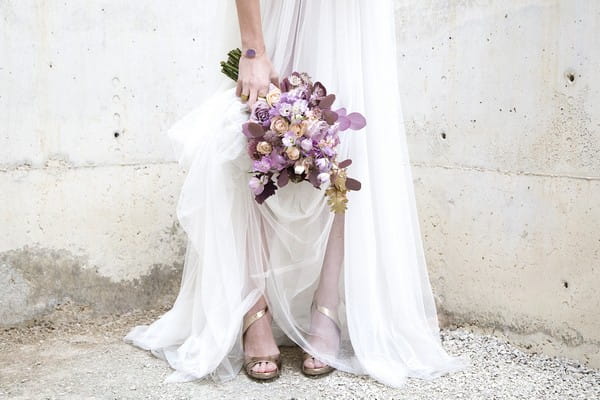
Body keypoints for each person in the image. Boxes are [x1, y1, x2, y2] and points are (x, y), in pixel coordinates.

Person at [124, 0, 469, 388]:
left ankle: (327, 307)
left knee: (346, 140)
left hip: (350, 16)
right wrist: (253, 49)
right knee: (253, 132)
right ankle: (254, 307)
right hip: (277, 9)